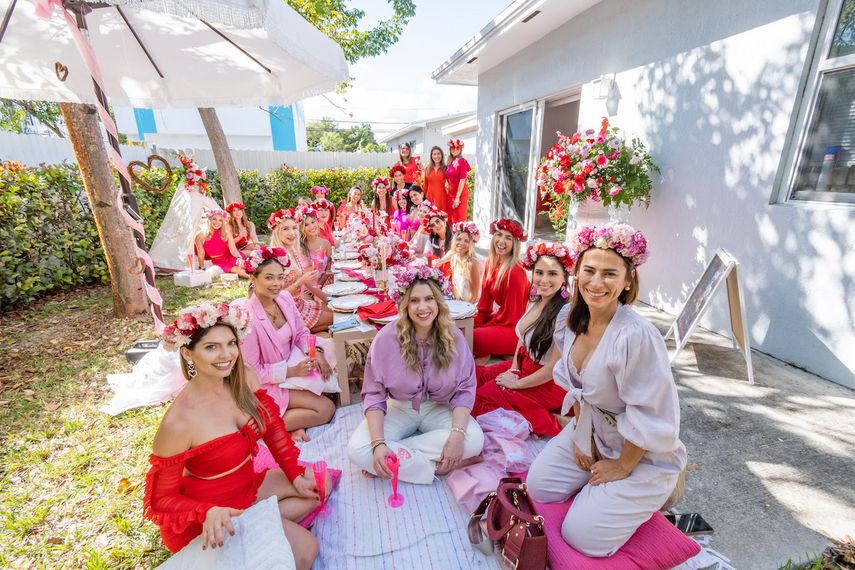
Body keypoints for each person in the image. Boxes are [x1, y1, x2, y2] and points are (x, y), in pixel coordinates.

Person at [527, 224, 687, 558]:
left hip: (641, 454)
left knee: (581, 537)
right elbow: (575, 388)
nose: (596, 283)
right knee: (540, 486)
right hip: (595, 430)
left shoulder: (635, 336)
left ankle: (652, 494)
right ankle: (600, 495)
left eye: (609, 274)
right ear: (577, 273)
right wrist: (583, 436)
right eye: (589, 270)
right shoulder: (571, 320)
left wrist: (622, 467)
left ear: (628, 280)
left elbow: (651, 413)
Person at [143, 303, 323, 569]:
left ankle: (256, 524)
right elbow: (161, 500)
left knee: (318, 485)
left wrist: (294, 474)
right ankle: (251, 530)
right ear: (187, 353)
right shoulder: (179, 422)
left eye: (231, 343)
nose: (226, 355)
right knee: (305, 549)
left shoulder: (242, 378)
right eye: (211, 347)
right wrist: (207, 512)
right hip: (209, 514)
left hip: (247, 485)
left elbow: (273, 430)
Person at [347, 266, 484, 484]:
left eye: (429, 299)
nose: (423, 307)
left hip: (439, 407)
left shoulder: (455, 337)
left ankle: (392, 459)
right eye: (414, 301)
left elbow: (465, 390)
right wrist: (378, 442)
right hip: (400, 407)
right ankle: (433, 467)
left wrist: (457, 436)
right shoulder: (385, 339)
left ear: (438, 302)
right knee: (357, 449)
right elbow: (373, 395)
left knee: (474, 440)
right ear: (404, 304)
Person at [472, 242, 574, 436]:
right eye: (539, 272)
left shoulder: (565, 314)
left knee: (480, 400)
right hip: (524, 365)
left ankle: (552, 422)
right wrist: (513, 369)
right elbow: (521, 337)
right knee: (476, 376)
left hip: (548, 380)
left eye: (552, 274)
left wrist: (516, 383)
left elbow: (553, 368)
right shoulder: (535, 299)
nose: (544, 280)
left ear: (564, 278)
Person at [239, 247, 336, 442]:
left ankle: (296, 425)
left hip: (293, 361)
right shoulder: (248, 319)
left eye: (280, 277)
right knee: (327, 409)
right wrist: (291, 371)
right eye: (269, 278)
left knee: (333, 379)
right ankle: (260, 429)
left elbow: (301, 332)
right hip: (269, 383)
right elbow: (252, 372)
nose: (277, 284)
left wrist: (315, 352)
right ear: (253, 279)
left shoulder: (283, 298)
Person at [149, 157, 221, 271]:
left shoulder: (201, 191)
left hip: (192, 221)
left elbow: (211, 204)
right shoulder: (185, 189)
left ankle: (177, 261)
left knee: (185, 240)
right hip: (182, 219)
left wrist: (222, 213)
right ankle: (165, 260)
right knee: (177, 238)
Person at [473, 218, 529, 363]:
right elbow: (484, 306)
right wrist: (475, 322)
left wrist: (485, 328)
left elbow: (513, 317)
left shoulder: (515, 272)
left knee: (473, 337)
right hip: (501, 321)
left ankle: (502, 352)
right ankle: (495, 352)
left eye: (508, 237)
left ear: (515, 243)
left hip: (514, 328)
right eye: (499, 235)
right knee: (461, 329)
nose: (501, 241)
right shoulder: (489, 263)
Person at [268, 209, 333, 332]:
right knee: (336, 318)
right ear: (277, 232)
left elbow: (308, 283)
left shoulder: (293, 251)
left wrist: (329, 300)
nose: (292, 233)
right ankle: (296, 331)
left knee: (336, 309)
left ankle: (302, 331)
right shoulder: (275, 260)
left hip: (300, 304)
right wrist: (299, 282)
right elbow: (274, 296)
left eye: (294, 228)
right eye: (286, 229)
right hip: (288, 311)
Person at [194, 209, 248, 277]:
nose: (217, 222)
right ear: (209, 219)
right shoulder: (200, 235)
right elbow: (201, 253)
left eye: (220, 220)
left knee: (245, 266)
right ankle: (256, 280)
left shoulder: (226, 233)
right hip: (219, 262)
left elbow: (233, 250)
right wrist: (201, 268)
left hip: (231, 256)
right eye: (214, 219)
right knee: (238, 270)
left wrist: (239, 258)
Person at [439, 221, 483, 304]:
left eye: (466, 241)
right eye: (459, 239)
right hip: (460, 302)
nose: (461, 243)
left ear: (471, 244)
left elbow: (474, 295)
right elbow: (454, 285)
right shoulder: (454, 258)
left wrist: (463, 311)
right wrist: (457, 302)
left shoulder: (472, 264)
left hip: (473, 305)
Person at [298, 206, 333, 275]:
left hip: (324, 282)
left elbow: (328, 269)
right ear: (301, 228)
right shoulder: (299, 247)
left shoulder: (326, 243)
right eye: (306, 225)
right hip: (306, 283)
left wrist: (321, 283)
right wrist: (316, 264)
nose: (311, 227)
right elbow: (300, 273)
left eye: (313, 222)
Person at [445, 139, 471, 225]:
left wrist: (457, 197)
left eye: (457, 148)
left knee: (459, 219)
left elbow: (462, 180)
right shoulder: (450, 161)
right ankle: (451, 238)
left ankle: (459, 238)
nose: (455, 149)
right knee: (451, 218)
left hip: (459, 193)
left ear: (460, 149)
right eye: (453, 147)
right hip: (450, 193)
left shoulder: (462, 161)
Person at [422, 146, 447, 213]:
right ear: (431, 156)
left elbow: (451, 183)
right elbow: (425, 185)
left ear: (442, 155)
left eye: (438, 154)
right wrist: (423, 198)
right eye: (434, 154)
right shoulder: (427, 168)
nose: (436, 156)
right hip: (429, 197)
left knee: (441, 217)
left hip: (441, 197)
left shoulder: (446, 168)